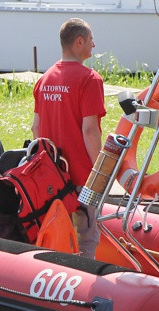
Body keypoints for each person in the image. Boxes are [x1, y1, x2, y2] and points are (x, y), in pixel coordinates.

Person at [31, 18, 106, 258]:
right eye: (92, 39)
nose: (94, 45)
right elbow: (90, 130)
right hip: (82, 177)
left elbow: (35, 128)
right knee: (87, 240)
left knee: (53, 236)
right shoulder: (90, 79)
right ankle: (84, 280)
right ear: (79, 41)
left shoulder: (44, 79)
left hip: (52, 177)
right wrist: (100, 172)